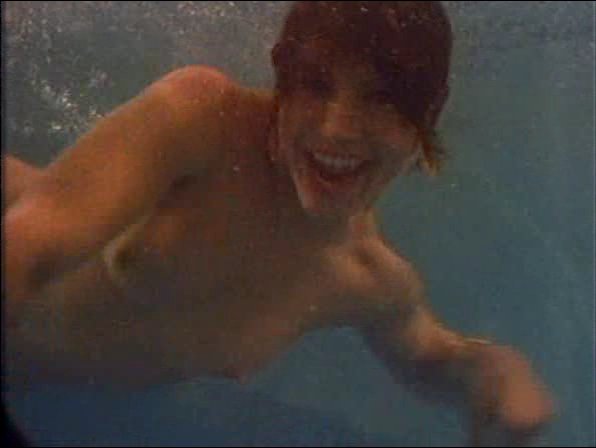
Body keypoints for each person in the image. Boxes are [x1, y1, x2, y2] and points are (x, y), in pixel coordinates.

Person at [4, 1, 554, 445]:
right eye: (315, 84)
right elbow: (28, 241)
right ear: (282, 77)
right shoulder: (203, 121)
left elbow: (430, 359)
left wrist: (494, 372)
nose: (337, 128)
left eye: (382, 98)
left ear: (430, 110)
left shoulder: (368, 278)